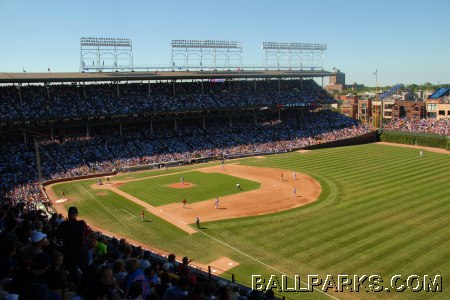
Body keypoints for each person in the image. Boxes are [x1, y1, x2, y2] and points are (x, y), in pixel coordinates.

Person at [57, 206, 90, 275]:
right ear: (76, 214)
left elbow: (58, 237)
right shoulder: (82, 223)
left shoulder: (62, 224)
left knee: (70, 270)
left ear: (68, 214)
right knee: (83, 270)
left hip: (67, 252)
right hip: (80, 252)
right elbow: (87, 234)